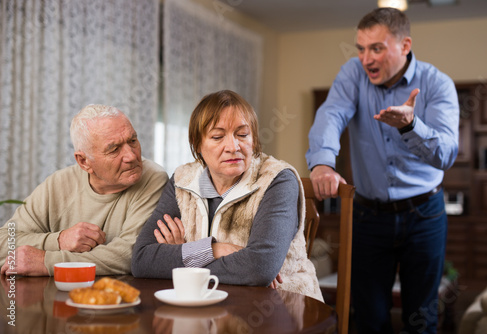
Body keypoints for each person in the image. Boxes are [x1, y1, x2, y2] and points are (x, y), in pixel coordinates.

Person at [306, 7, 459, 334]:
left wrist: (411, 126)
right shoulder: (353, 74)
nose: (366, 58)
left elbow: (446, 155)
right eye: (361, 48)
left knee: (421, 319)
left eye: (376, 48)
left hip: (425, 215)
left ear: (405, 46)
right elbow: (331, 115)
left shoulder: (437, 84)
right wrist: (322, 163)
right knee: (369, 318)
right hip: (368, 216)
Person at [132, 90, 323, 301]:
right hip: (209, 308)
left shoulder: (278, 179)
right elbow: (142, 261)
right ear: (197, 144)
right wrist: (215, 249)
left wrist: (181, 257)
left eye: (242, 134)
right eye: (217, 136)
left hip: (281, 308)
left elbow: (259, 268)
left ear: (254, 140)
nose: (233, 147)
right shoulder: (182, 180)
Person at [0, 104, 168, 276]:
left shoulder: (154, 178)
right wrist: (59, 240)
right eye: (114, 149)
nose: (132, 156)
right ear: (84, 162)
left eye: (132, 141)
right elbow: (4, 241)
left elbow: (129, 256)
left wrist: (46, 262)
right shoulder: (58, 183)